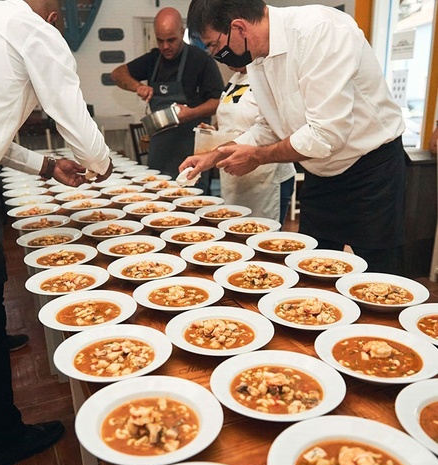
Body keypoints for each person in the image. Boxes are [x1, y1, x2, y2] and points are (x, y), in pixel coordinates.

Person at [0, 0, 112, 465]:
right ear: (54, 14)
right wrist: (102, 165)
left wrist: (46, 165)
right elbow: (69, 111)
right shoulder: (30, 26)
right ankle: (4, 436)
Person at [181, 0, 407, 274]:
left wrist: (258, 157)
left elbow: (325, 134)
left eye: (214, 46)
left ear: (238, 27)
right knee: (314, 270)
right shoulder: (257, 56)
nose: (217, 56)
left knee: (377, 280)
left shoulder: (320, 30)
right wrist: (215, 155)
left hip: (371, 172)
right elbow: (268, 125)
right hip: (320, 173)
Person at [111, 7, 224, 194]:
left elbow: (219, 101)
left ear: (182, 32)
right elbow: (117, 74)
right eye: (160, 40)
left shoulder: (201, 60)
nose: (165, 46)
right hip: (159, 151)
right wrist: (137, 86)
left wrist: (192, 113)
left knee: (194, 203)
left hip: (193, 152)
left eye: (171, 40)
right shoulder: (153, 59)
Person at [210, 66, 295, 224]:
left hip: (267, 175)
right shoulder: (235, 79)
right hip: (234, 175)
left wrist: (245, 140)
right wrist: (213, 130)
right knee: (234, 231)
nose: (217, 53)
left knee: (263, 235)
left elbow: (276, 126)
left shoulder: (268, 75)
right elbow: (231, 117)